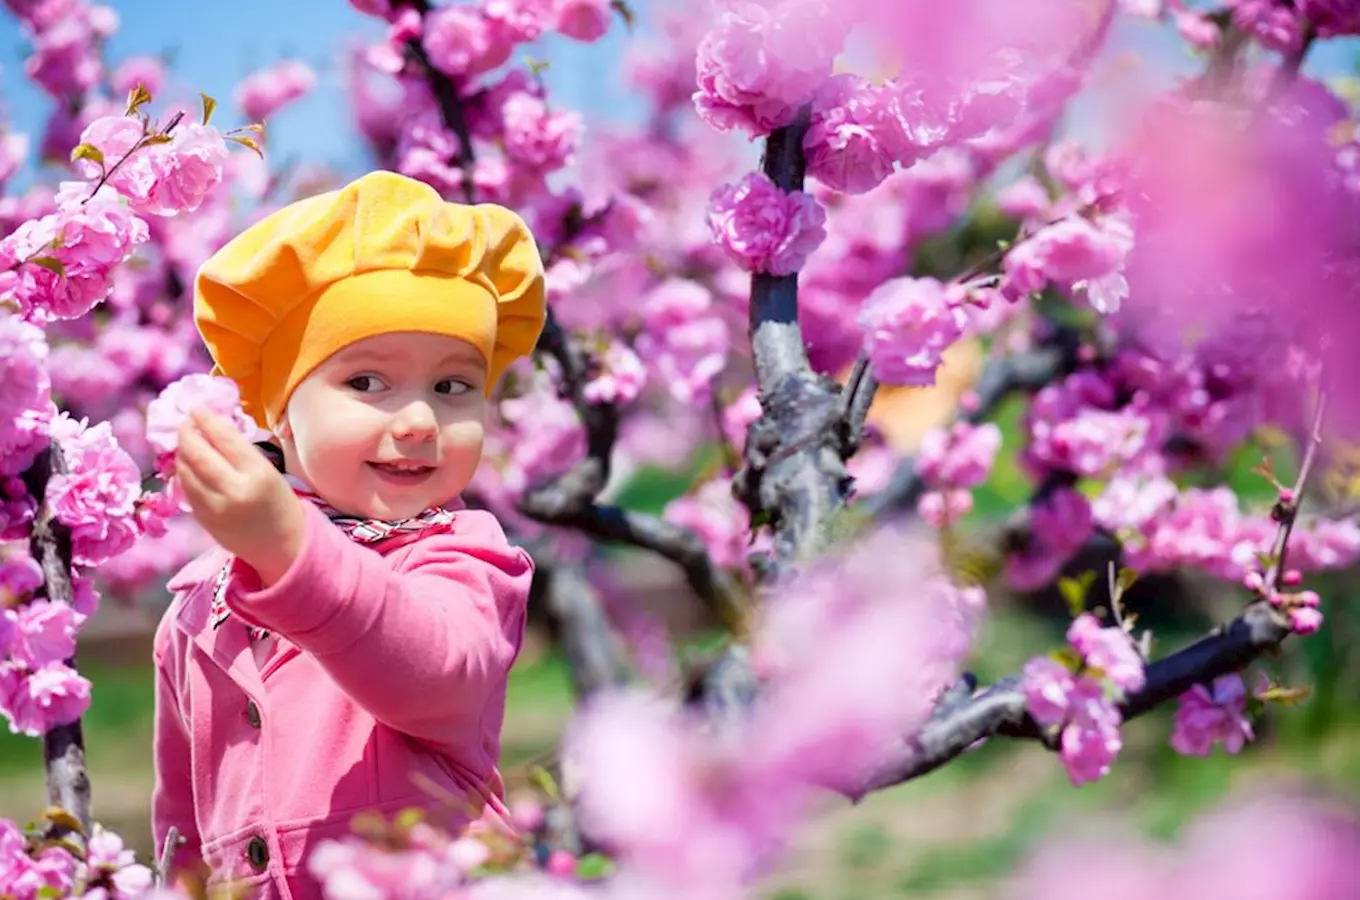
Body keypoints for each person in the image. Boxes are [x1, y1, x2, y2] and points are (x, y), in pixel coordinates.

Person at [150, 170, 546, 900]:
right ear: (276, 411)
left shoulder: (460, 552)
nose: (421, 421)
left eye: (454, 387)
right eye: (366, 383)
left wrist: (290, 551)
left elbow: (438, 673)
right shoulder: (198, 607)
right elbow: (184, 811)